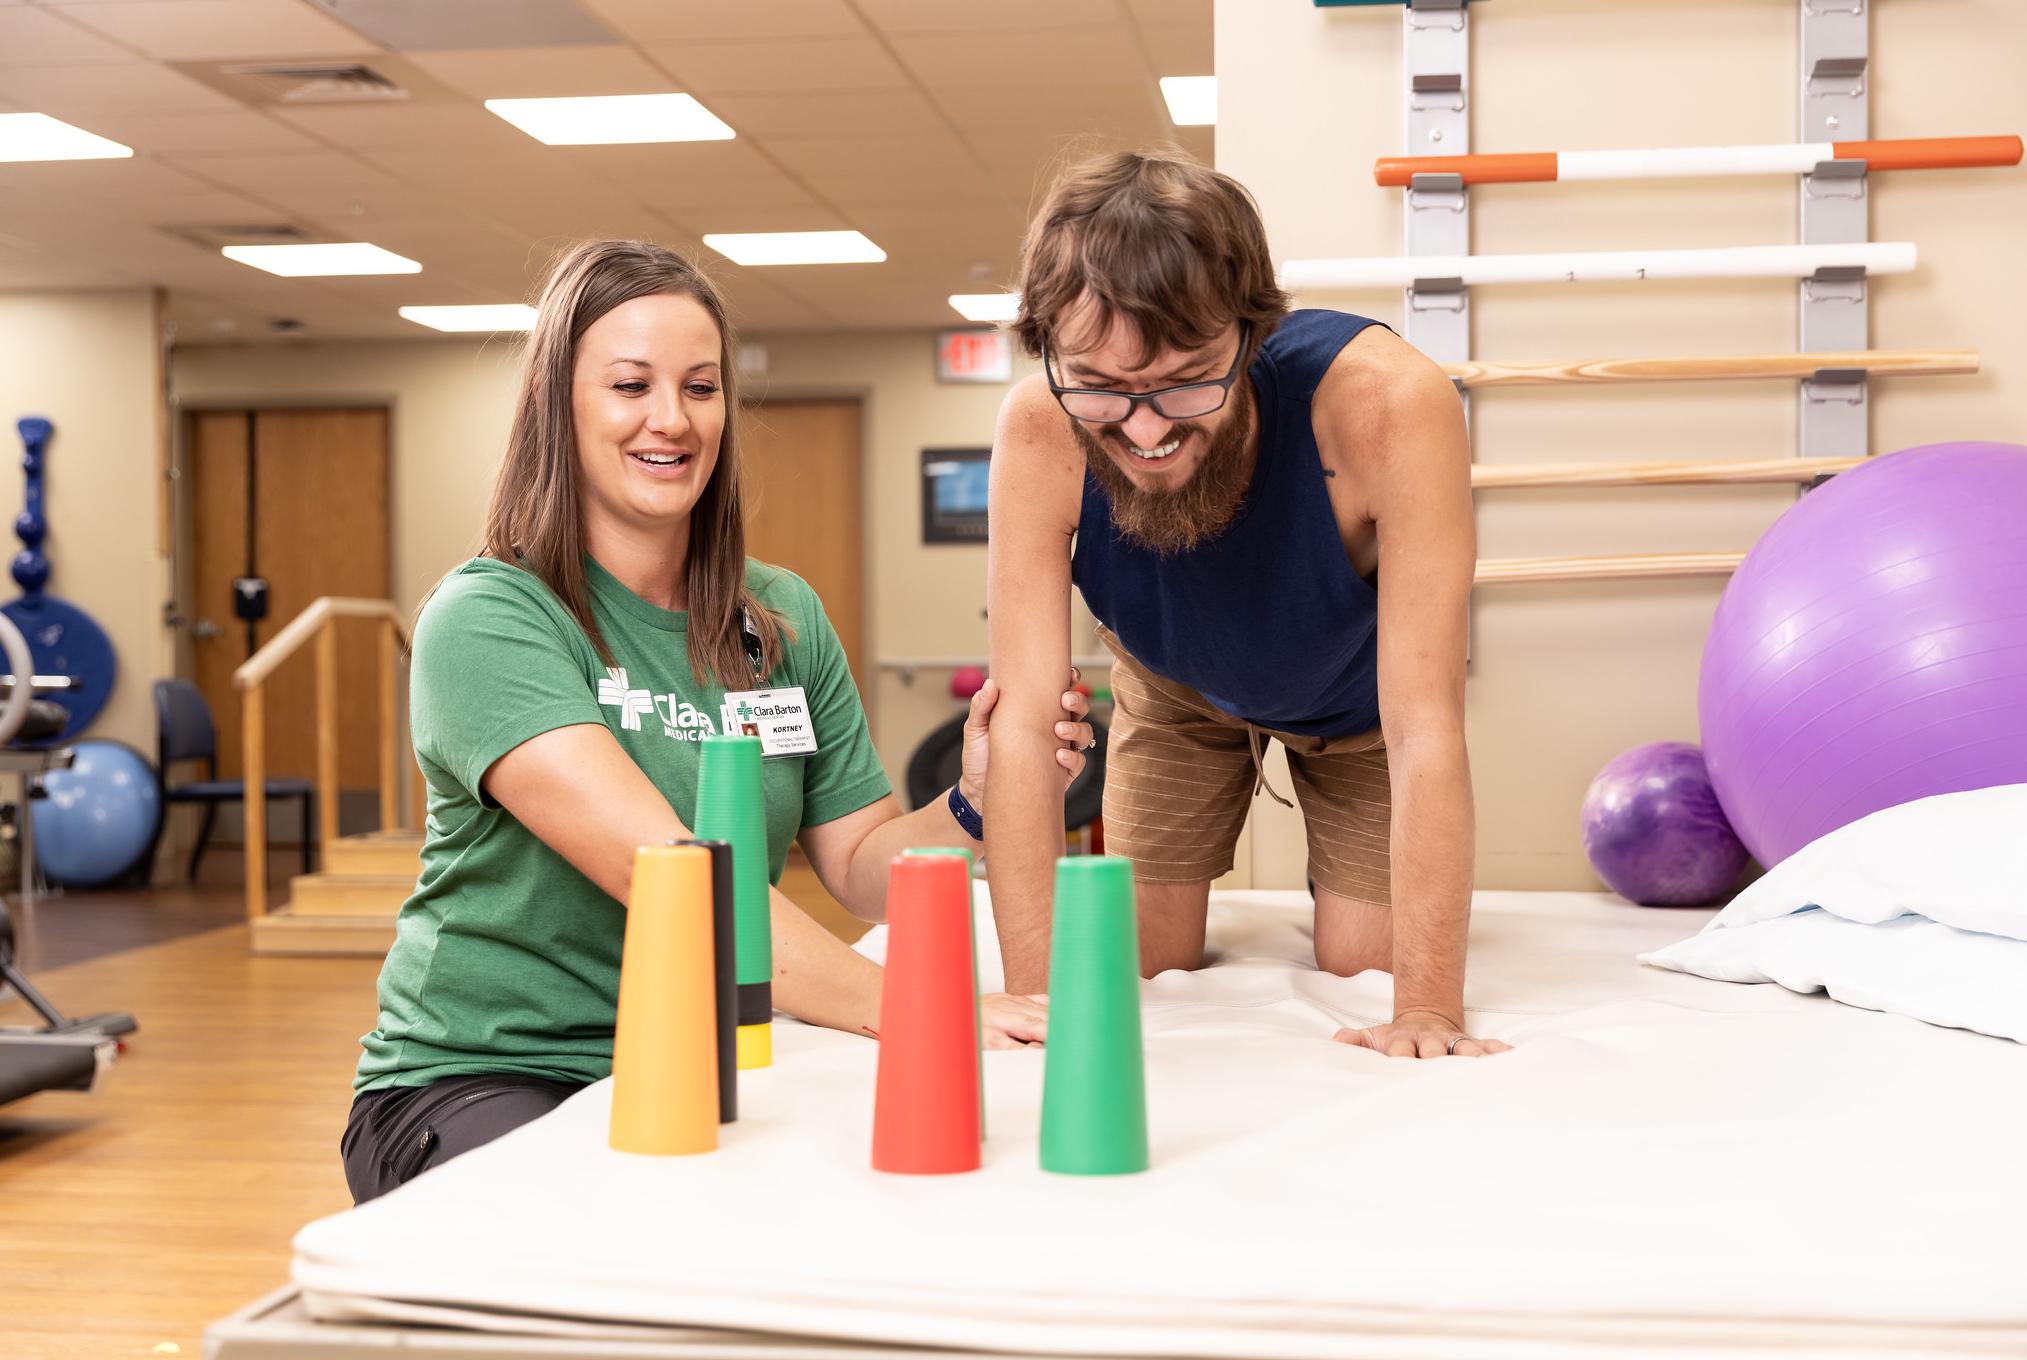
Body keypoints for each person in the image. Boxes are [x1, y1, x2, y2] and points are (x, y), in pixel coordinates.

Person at [342, 239, 1091, 1202]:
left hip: (716, 1061)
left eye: (700, 387)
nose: (671, 419)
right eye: (629, 385)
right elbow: (673, 883)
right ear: (558, 408)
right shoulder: (492, 618)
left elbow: (862, 870)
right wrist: (919, 1008)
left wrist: (972, 800)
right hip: (495, 1071)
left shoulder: (778, 619)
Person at [984, 150, 1511, 1060]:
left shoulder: (1390, 403)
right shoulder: (1038, 429)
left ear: (1250, 332)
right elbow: (1025, 724)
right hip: (1174, 687)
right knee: (1135, 957)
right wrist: (1034, 999)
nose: (1144, 430)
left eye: (1187, 380)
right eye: (1101, 389)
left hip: (1359, 711)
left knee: (1362, 965)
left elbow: (1425, 725)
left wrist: (1426, 1009)